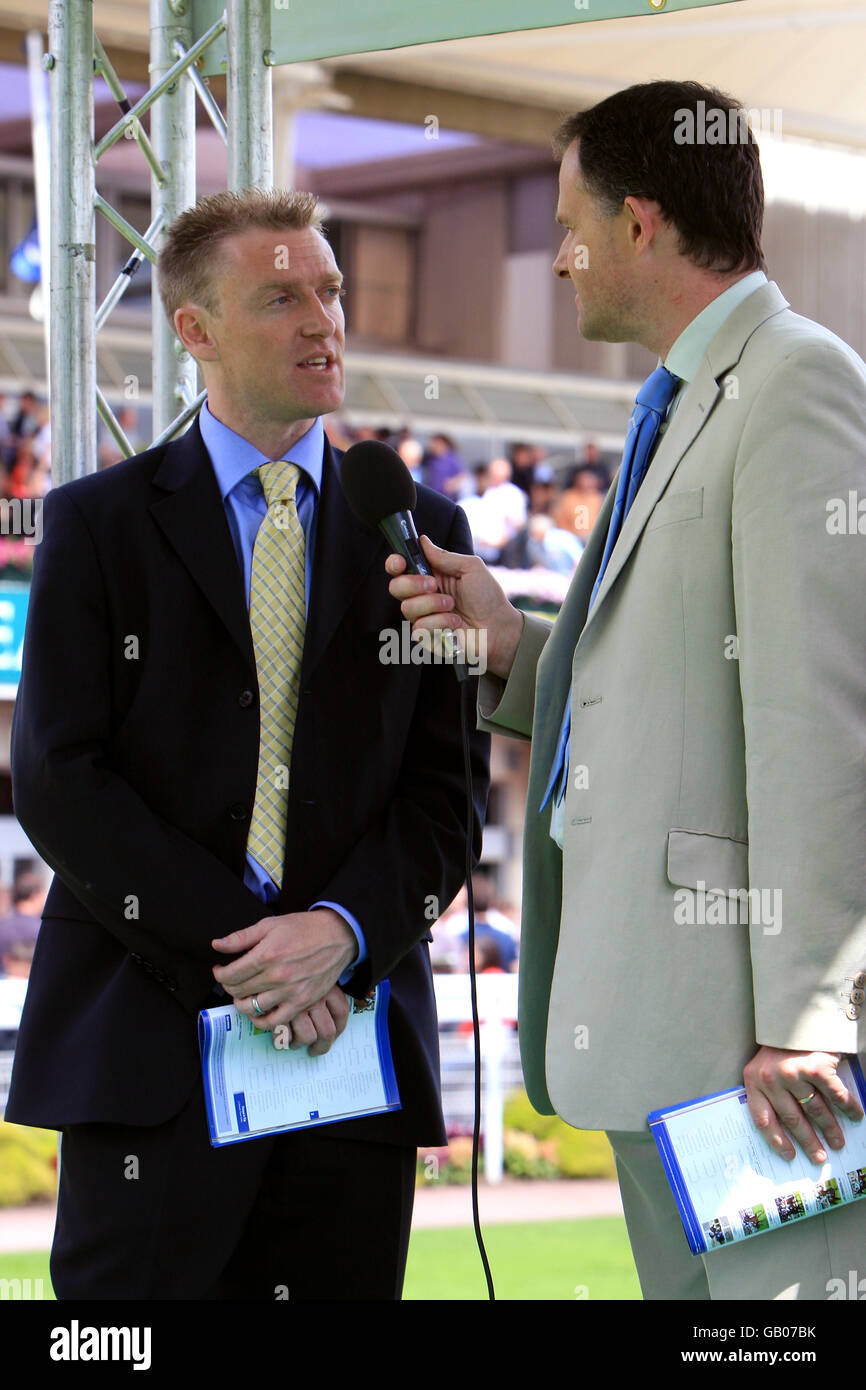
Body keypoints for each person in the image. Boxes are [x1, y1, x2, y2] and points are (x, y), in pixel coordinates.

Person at [387, 80, 866, 1301]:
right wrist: (510, 646)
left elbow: (820, 719)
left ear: (639, 223)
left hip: (753, 1048)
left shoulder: (794, 384)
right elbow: (660, 681)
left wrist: (810, 1015)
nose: (556, 258)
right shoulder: (684, 401)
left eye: (567, 223)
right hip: (668, 1026)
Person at [6, 187, 489, 1300]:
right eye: (280, 296)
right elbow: (59, 779)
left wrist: (342, 931)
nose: (323, 319)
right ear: (196, 330)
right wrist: (260, 952)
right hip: (150, 1055)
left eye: (327, 290)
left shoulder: (418, 532)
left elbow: (443, 797)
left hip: (347, 1065)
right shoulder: (97, 523)